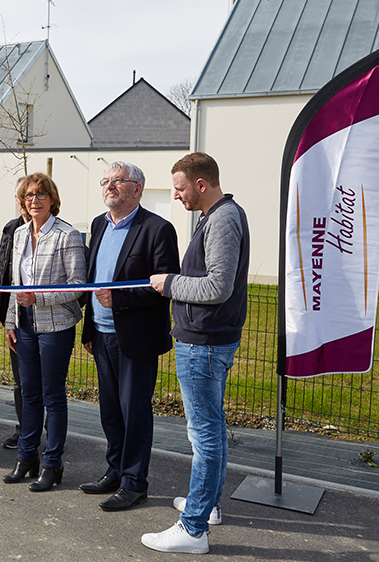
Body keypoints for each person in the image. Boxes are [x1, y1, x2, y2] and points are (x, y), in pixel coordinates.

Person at [144, 152, 249, 555]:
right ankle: (209, 506)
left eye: (180, 187)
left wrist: (168, 283)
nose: (176, 196)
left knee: (204, 435)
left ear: (201, 184)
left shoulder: (222, 218)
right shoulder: (217, 216)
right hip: (207, 341)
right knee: (211, 431)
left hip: (203, 344)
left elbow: (216, 287)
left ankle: (193, 529)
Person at [79, 162, 180, 511]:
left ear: (136, 188)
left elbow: (166, 285)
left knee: (133, 410)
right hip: (102, 335)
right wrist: (90, 328)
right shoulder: (98, 225)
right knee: (110, 410)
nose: (109, 186)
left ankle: (135, 482)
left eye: (117, 181)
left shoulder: (157, 228)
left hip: (135, 338)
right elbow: (94, 280)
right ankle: (116, 470)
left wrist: (119, 299)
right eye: (105, 181)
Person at [2, 173, 85, 491]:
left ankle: (52, 463)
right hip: (24, 326)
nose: (34, 200)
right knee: (29, 394)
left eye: (40, 194)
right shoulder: (20, 234)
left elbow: (79, 287)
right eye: (28, 195)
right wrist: (11, 321)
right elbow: (14, 285)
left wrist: (40, 297)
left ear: (52, 199)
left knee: (53, 396)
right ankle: (26, 458)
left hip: (56, 327)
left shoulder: (68, 235)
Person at [0, 177, 29, 449]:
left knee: (44, 383)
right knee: (20, 381)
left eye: (30, 196)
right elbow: (4, 271)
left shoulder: (61, 232)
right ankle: (24, 428)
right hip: (13, 317)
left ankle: (50, 432)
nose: (25, 202)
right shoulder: (10, 228)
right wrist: (4, 311)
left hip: (48, 321)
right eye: (21, 197)